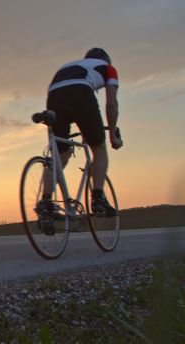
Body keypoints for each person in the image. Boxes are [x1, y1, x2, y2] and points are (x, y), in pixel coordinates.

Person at [37, 47, 123, 224]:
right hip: (81, 93)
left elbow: (63, 91)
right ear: (107, 60)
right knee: (98, 147)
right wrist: (113, 133)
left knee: (59, 155)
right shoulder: (108, 68)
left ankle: (45, 201)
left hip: (54, 94)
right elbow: (112, 103)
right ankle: (98, 199)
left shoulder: (68, 66)